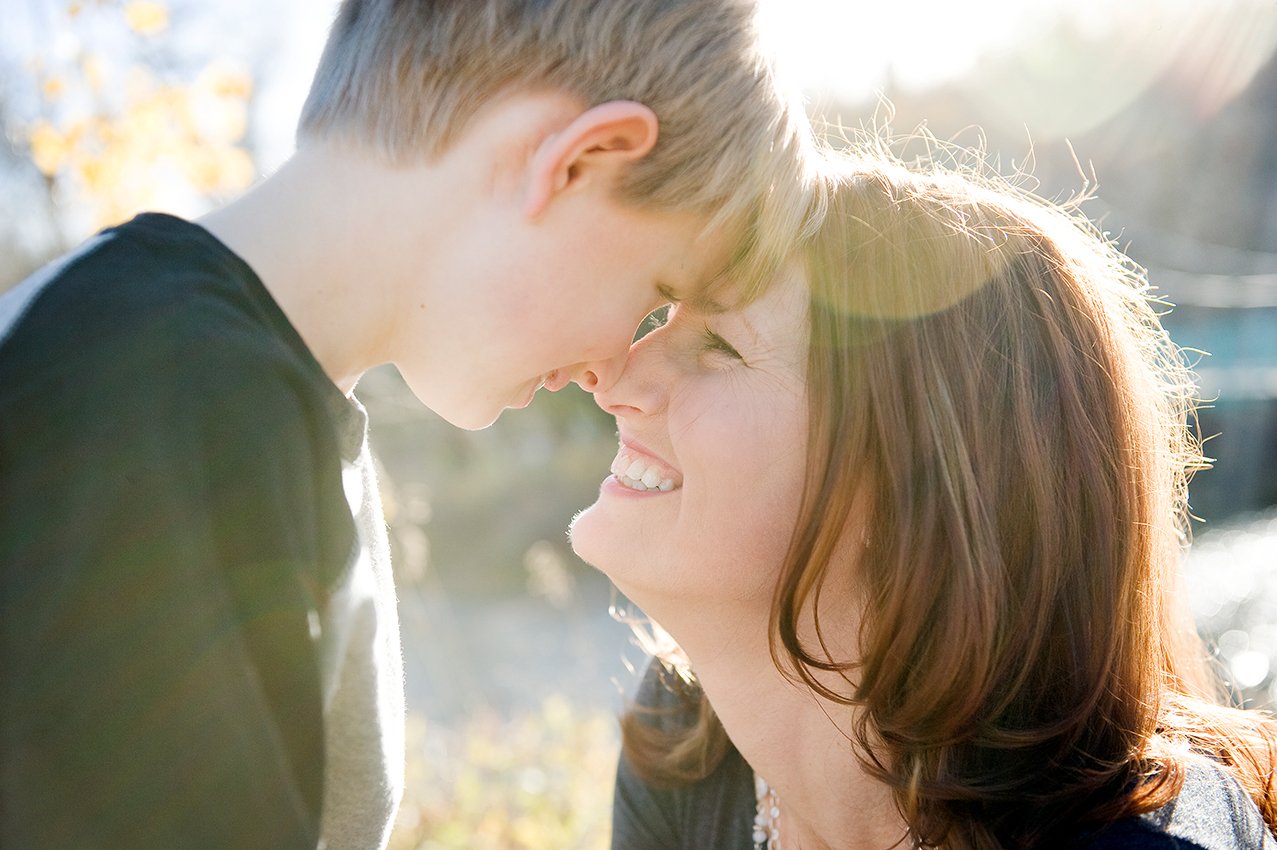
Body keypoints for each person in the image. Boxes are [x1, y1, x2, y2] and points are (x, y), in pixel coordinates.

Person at [0, 1, 817, 847]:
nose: (606, 370)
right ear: (578, 162)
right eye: (652, 293)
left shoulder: (237, 399)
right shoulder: (163, 408)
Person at [568, 145, 1277, 849]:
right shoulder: (684, 751)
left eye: (719, 345)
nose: (615, 379)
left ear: (916, 486)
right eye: (665, 320)